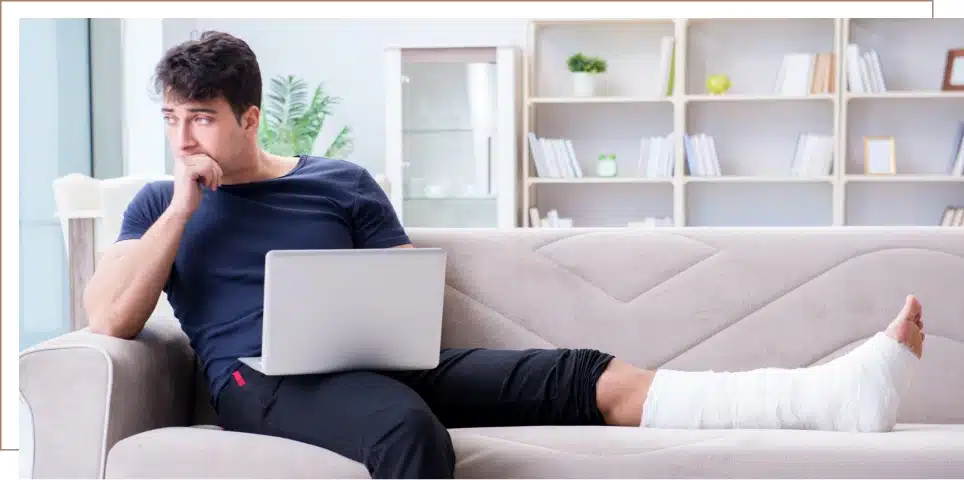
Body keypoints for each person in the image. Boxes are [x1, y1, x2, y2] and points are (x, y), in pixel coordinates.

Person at [83, 31, 926, 479]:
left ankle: (827, 399)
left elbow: (401, 290)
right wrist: (186, 206)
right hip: (256, 382)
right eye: (171, 118)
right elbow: (109, 316)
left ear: (250, 118)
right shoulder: (162, 204)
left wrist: (384, 329)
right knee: (409, 433)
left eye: (200, 117)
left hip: (378, 363)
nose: (183, 135)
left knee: (586, 374)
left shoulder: (339, 183)